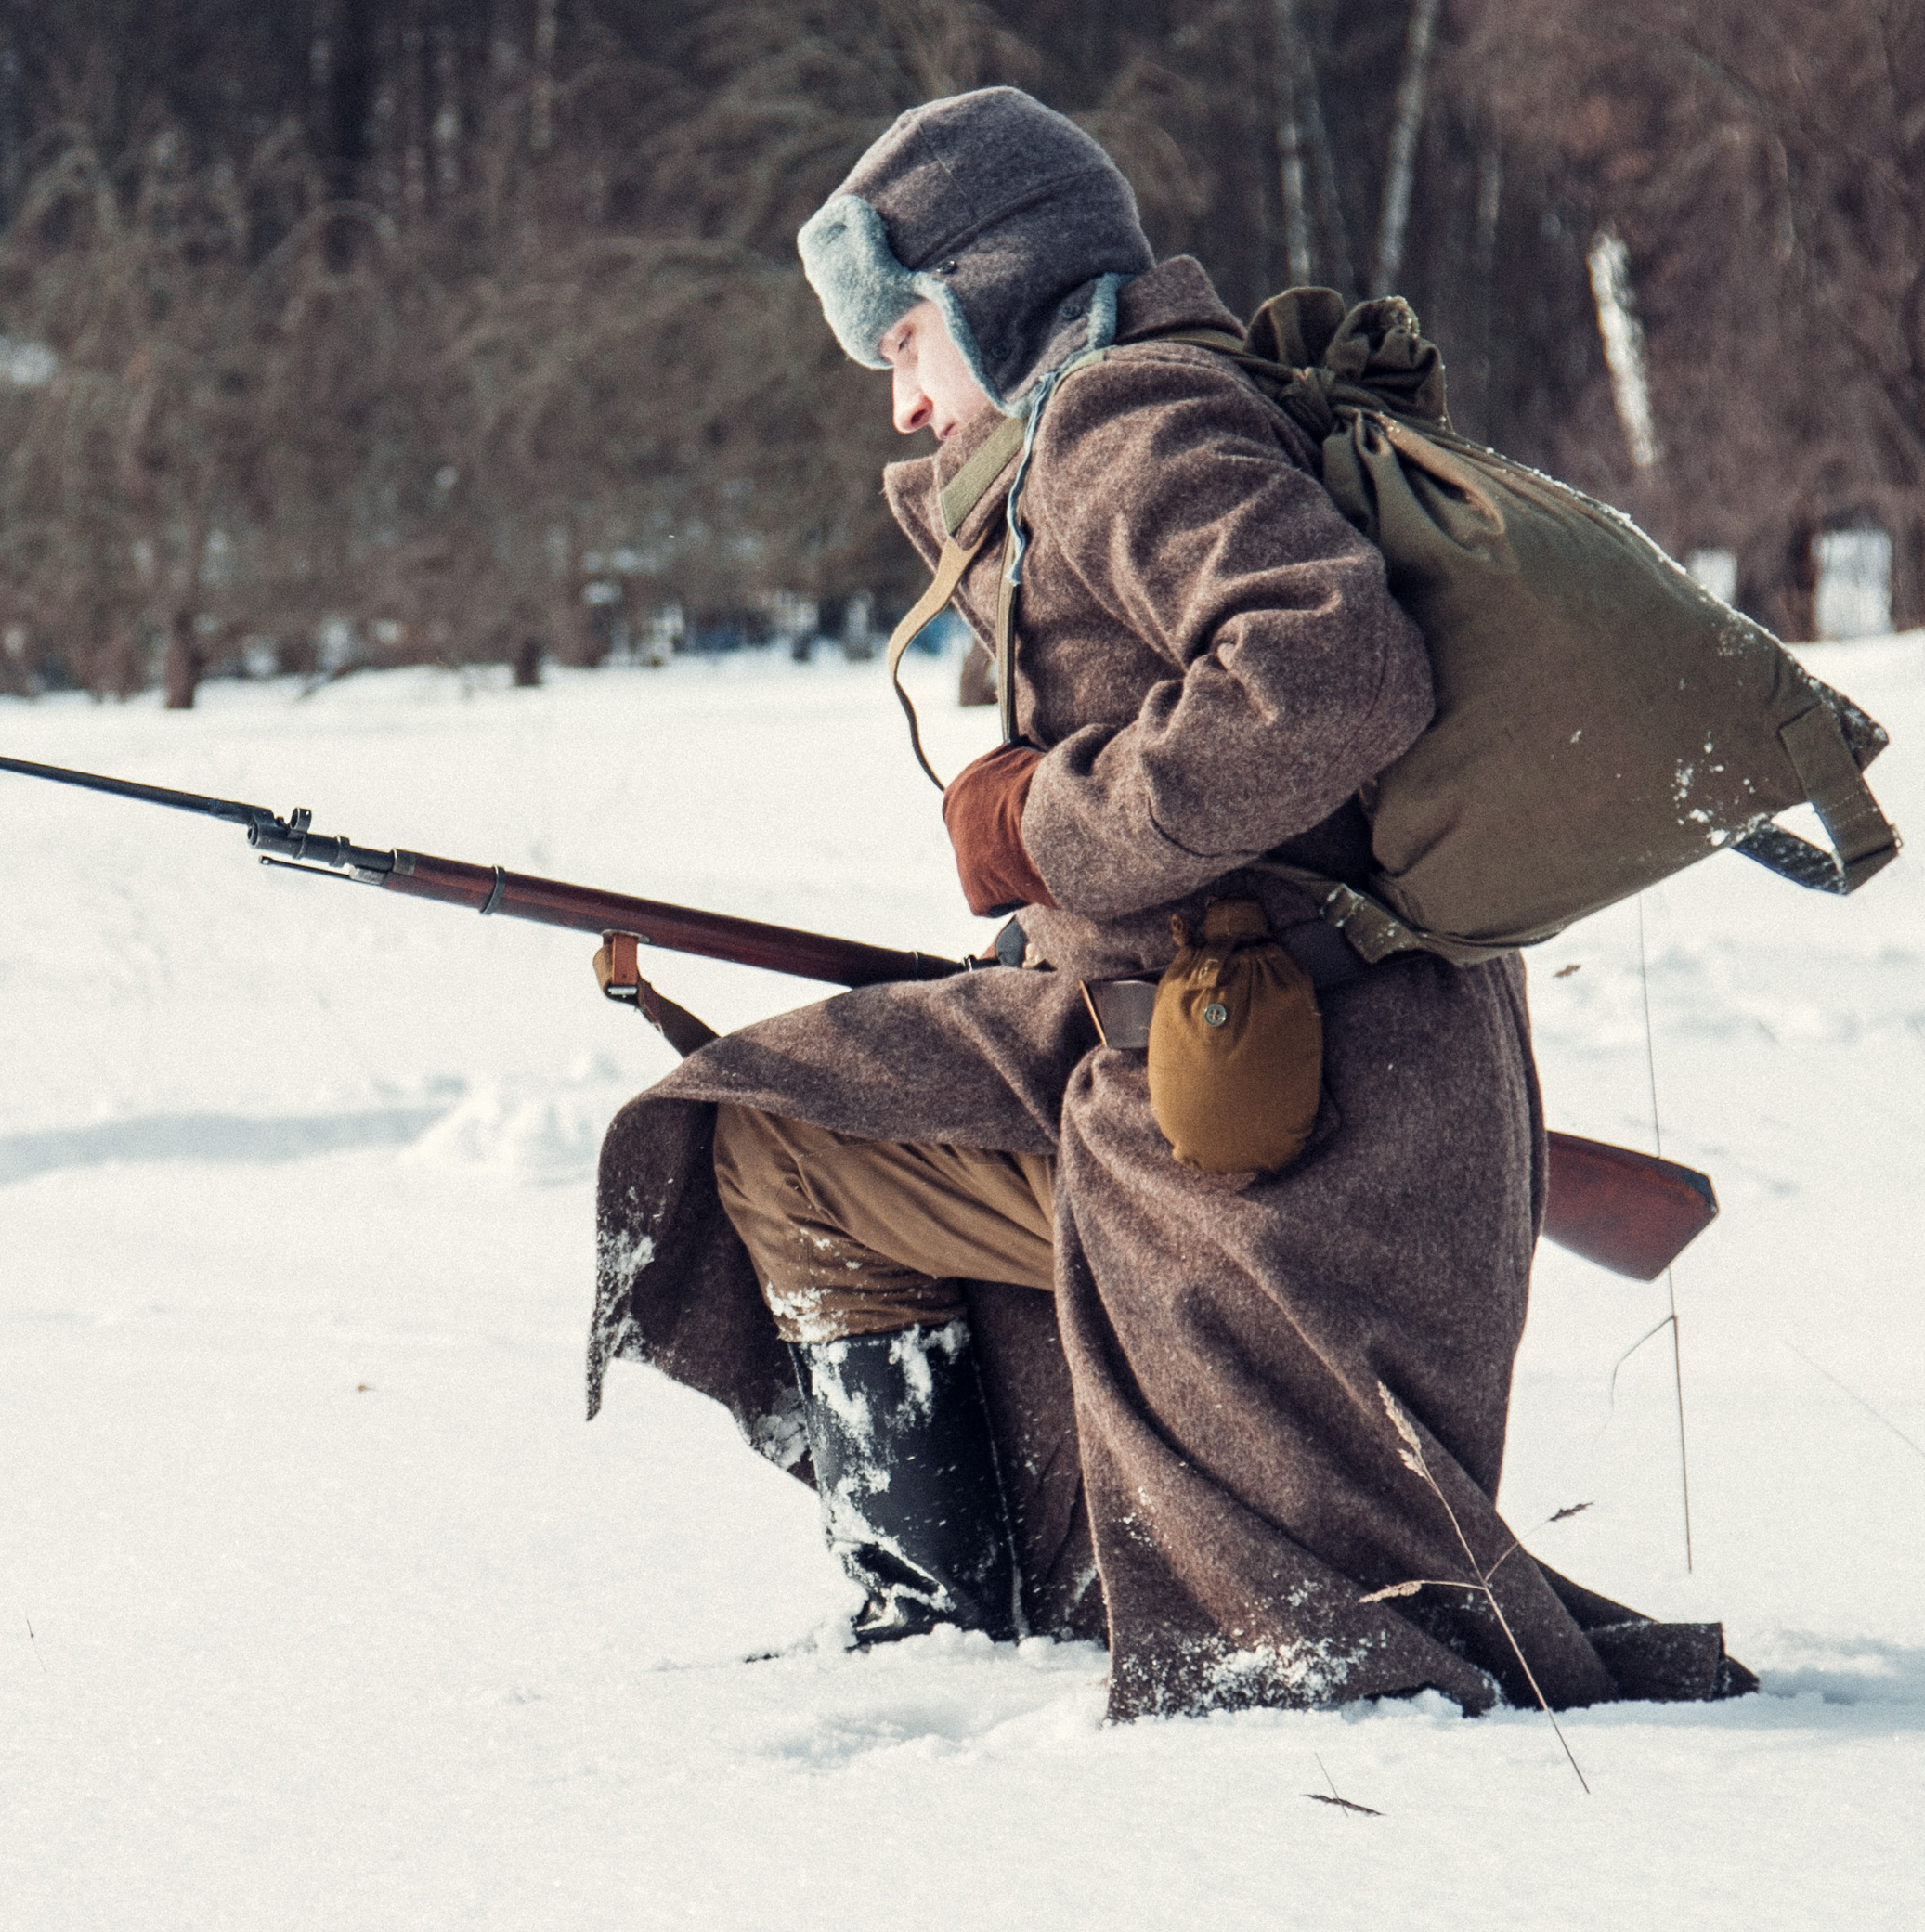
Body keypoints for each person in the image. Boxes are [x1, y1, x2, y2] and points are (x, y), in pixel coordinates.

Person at [587, 87, 1747, 1715]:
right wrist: (1053, 916)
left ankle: (940, 1622)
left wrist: (1051, 835)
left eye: (905, 341)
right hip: (1244, 1065)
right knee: (788, 1133)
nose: (907, 402)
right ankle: (949, 1607)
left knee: (779, 1145)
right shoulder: (1127, 424)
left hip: (1293, 1125)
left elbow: (1330, 676)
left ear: (992, 292)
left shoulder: (1136, 425)